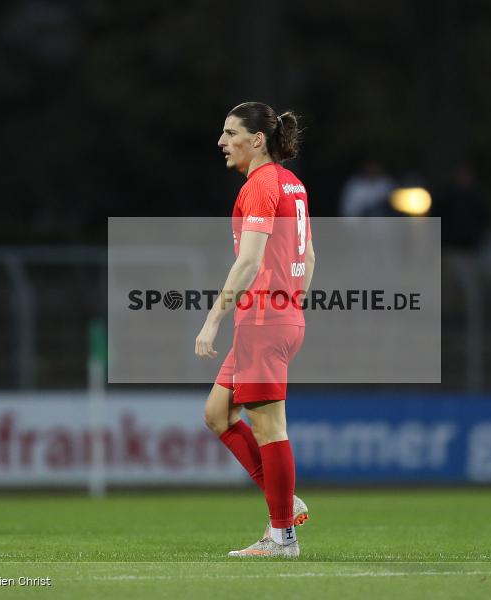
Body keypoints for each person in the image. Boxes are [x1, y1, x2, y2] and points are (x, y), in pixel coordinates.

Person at [196, 101, 315, 558]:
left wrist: (212, 320)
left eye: (231, 133)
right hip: (277, 318)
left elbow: (248, 262)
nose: (222, 142)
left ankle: (282, 536)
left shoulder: (261, 184)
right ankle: (283, 502)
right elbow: (309, 256)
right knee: (217, 414)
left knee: (269, 429)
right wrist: (293, 305)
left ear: (257, 139)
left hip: (264, 321)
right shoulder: (292, 183)